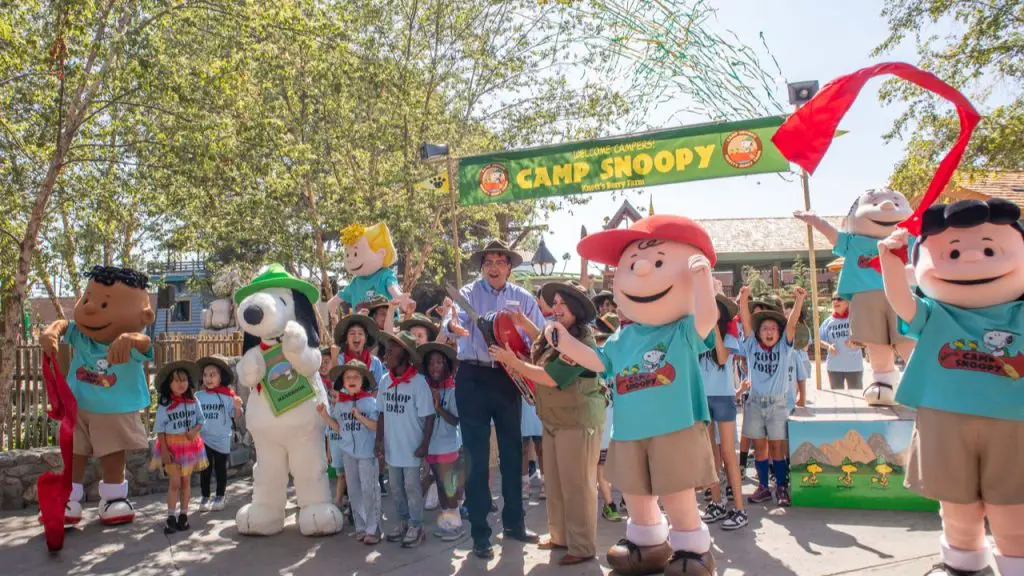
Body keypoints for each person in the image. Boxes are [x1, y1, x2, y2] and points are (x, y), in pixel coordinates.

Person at [550, 216, 722, 576]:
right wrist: (565, 343)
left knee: (676, 492)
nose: (642, 270)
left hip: (673, 426)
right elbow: (598, 362)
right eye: (631, 265)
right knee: (636, 492)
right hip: (629, 431)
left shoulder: (681, 330)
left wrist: (703, 279)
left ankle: (692, 548)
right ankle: (647, 542)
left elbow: (708, 318)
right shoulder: (621, 339)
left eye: (659, 263)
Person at [878, 199, 1024, 576]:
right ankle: (962, 565)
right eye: (954, 252)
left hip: (1015, 423)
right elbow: (901, 303)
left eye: (990, 248)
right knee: (956, 506)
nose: (973, 258)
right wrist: (889, 260)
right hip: (944, 419)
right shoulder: (935, 312)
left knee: (1013, 509)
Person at [441, 240, 545, 559]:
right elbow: (451, 319)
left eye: (501, 260)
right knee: (475, 455)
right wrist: (452, 326)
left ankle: (515, 523)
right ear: (482, 266)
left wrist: (519, 333)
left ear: (510, 266)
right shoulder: (469, 293)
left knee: (513, 453)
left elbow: (539, 337)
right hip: (472, 377)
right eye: (489, 261)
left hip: (507, 376)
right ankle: (480, 534)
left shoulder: (522, 298)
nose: (495, 266)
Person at [489, 280, 605, 566]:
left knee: (577, 486)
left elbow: (549, 377)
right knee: (554, 482)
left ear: (577, 310)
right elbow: (542, 339)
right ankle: (560, 536)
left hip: (576, 422)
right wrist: (523, 321)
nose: (556, 310)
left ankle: (582, 545)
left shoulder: (581, 343)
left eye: (562, 305)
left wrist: (509, 360)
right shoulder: (559, 332)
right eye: (554, 304)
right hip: (554, 419)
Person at [38, 265, 155, 526]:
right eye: (88, 299)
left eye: (104, 304)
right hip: (77, 407)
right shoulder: (80, 334)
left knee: (112, 452)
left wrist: (130, 339)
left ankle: (113, 499)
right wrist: (50, 333)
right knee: (74, 453)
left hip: (113, 409)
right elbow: (63, 324)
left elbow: (145, 344)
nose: (89, 308)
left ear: (144, 314)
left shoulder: (132, 341)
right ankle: (68, 499)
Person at [737, 285, 806, 508]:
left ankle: (782, 488)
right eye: (764, 328)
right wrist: (744, 298)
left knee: (777, 447)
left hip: (777, 404)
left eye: (773, 329)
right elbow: (746, 322)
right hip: (755, 402)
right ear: (759, 332)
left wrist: (799, 301)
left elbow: (793, 323)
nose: (768, 332)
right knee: (760, 447)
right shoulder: (751, 347)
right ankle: (764, 487)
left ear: (779, 332)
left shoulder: (785, 349)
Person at [374, 331, 435, 548]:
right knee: (396, 489)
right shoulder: (384, 380)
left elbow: (429, 417)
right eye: (388, 347)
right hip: (392, 448)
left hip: (412, 448)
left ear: (406, 354)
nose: (388, 351)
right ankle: (403, 521)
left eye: (394, 348)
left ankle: (416, 525)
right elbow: (381, 412)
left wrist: (425, 445)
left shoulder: (418, 383)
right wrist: (378, 441)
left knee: (412, 487)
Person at [318, 360, 381, 544]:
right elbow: (339, 428)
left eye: (356, 376)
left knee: (369, 490)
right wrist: (324, 415)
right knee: (354, 491)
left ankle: (374, 528)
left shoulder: (370, 402)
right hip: (348, 453)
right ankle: (361, 527)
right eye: (348, 377)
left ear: (363, 380)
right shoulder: (341, 404)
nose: (351, 380)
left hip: (366, 453)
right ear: (343, 382)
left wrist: (360, 417)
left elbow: (377, 426)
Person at [699, 295, 747, 531]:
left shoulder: (729, 334)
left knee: (728, 452)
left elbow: (720, 357)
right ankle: (717, 502)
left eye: (713, 309)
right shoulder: (696, 336)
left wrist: (714, 329)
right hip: (702, 399)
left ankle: (739, 509)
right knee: (710, 454)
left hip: (724, 397)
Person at [151, 361, 207, 534]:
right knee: (174, 482)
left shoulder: (193, 400)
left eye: (183, 380)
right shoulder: (165, 404)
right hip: (171, 446)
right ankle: (170, 516)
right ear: (169, 384)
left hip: (189, 446)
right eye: (176, 381)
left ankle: (184, 514)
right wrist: (165, 451)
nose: (180, 384)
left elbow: (201, 420)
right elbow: (160, 429)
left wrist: (194, 431)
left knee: (185, 481)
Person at [419, 342, 466, 541]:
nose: (434, 366)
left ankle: (455, 523)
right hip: (432, 446)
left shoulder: (453, 390)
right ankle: (447, 519)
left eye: (439, 362)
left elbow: (455, 420)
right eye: (430, 363)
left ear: (447, 365)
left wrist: (438, 408)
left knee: (449, 486)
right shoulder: (426, 389)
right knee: (439, 483)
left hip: (448, 445)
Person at [195, 356, 243, 512]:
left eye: (213, 374)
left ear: (220, 377)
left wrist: (237, 406)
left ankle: (220, 495)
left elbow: (236, 415)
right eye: (205, 375)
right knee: (205, 470)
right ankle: (204, 496)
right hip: (204, 439)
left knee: (221, 469)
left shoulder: (228, 396)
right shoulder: (199, 397)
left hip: (222, 439)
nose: (208, 378)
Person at [594, 313, 623, 522]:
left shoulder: (594, 358)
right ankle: (628, 503)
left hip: (603, 420)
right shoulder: (624, 355)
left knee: (601, 466)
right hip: (623, 421)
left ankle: (610, 506)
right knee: (626, 464)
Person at [819, 294, 865, 390]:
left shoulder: (855, 319)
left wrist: (856, 343)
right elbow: (818, 341)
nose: (835, 301)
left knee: (857, 400)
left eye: (839, 299)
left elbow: (867, 341)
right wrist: (828, 346)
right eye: (833, 299)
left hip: (854, 367)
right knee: (839, 401)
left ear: (847, 302)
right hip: (834, 367)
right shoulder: (827, 322)